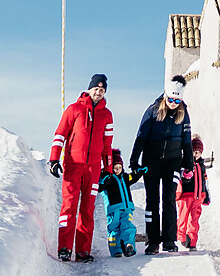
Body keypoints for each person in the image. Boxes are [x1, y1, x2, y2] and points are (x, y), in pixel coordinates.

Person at [49, 72, 115, 262]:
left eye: (102, 90)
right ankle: (64, 248)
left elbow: (107, 145)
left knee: (87, 209)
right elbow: (60, 134)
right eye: (96, 89)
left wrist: (108, 170)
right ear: (90, 89)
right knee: (69, 206)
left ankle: (83, 251)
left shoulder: (107, 115)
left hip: (93, 170)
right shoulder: (74, 109)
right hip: (73, 165)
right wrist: (54, 159)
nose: (98, 92)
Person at [130, 76, 193, 255]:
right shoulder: (153, 111)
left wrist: (188, 163)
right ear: (165, 96)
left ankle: (169, 240)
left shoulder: (183, 114)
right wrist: (134, 160)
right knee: (152, 200)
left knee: (170, 199)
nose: (173, 103)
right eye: (171, 99)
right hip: (152, 160)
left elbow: (187, 142)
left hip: (172, 162)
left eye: (177, 100)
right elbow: (141, 136)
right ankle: (152, 241)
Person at [99, 153, 138, 258]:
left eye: (119, 167)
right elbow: (99, 187)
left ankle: (129, 245)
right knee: (113, 229)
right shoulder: (107, 178)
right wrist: (103, 177)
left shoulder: (125, 177)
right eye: (115, 168)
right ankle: (116, 250)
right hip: (113, 210)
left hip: (127, 208)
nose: (117, 170)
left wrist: (140, 171)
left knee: (127, 226)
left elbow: (134, 177)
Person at [176, 136, 212, 250]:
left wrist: (206, 195)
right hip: (185, 196)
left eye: (198, 152)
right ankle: (181, 238)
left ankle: (192, 241)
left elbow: (205, 181)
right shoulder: (184, 163)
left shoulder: (201, 165)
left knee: (194, 220)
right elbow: (179, 178)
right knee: (182, 218)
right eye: (194, 151)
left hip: (198, 196)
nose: (196, 154)